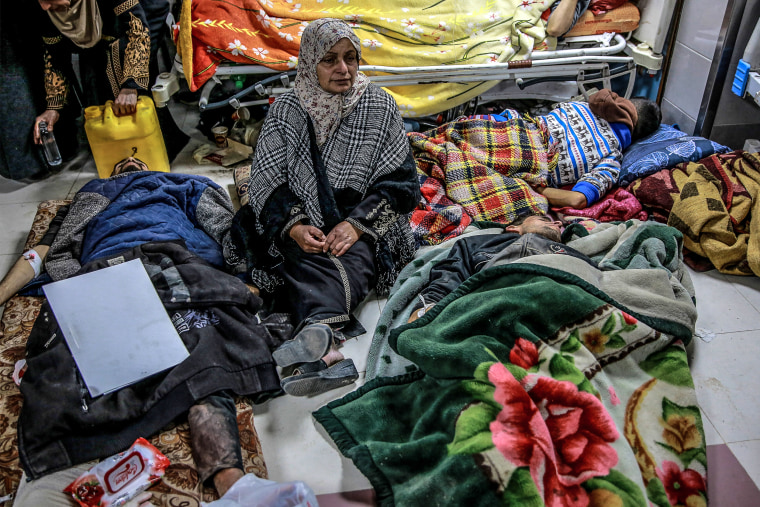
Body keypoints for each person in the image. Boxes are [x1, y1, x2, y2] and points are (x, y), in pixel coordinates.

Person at [2, 157, 274, 503]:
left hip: (174, 258)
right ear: (113, 172)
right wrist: (75, 287)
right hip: (106, 268)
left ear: (151, 166)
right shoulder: (93, 192)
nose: (129, 158)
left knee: (202, 348)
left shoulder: (182, 184)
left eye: (137, 158)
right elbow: (50, 250)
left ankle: (231, 483)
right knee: (66, 364)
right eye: (122, 162)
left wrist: (239, 277)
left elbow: (226, 229)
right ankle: (48, 487)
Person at [242, 18, 421, 397]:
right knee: (297, 253)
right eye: (330, 60)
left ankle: (321, 343)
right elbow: (266, 182)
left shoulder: (379, 105)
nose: (344, 69)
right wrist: (293, 226)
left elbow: (403, 185)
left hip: (361, 215)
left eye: (351, 58)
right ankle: (327, 347)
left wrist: (357, 225)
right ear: (309, 63)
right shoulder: (287, 110)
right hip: (301, 213)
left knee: (352, 255)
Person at [31, 0, 170, 148]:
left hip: (145, 12)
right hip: (99, 32)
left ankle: (153, 145)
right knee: (101, 96)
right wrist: (53, 107)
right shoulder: (47, 9)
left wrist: (131, 85)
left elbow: (137, 30)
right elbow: (55, 57)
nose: (44, 7)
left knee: (135, 97)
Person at [408, 214, 596, 322]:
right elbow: (449, 277)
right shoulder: (480, 244)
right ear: (513, 228)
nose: (558, 223)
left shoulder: (576, 255)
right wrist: (425, 312)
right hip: (499, 309)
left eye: (557, 223)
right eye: (543, 218)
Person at [494, 89, 661, 210]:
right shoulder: (611, 158)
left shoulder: (578, 105)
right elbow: (577, 199)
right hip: (518, 168)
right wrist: (532, 189)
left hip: (498, 128)